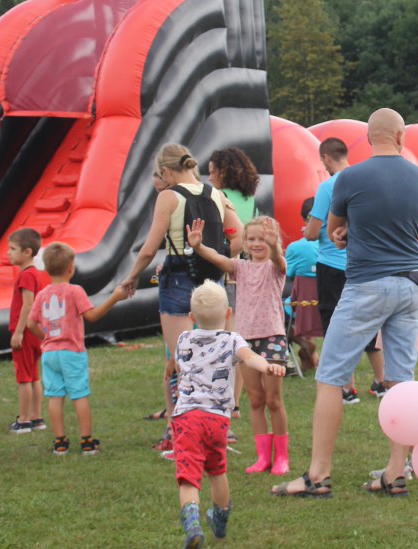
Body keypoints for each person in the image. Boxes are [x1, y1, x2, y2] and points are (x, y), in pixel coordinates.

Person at [271, 108, 418, 500]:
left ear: (370, 137)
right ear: (401, 135)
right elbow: (412, 226)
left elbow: (333, 228)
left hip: (365, 286)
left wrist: (345, 236)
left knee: (330, 377)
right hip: (410, 288)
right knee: (400, 381)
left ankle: (318, 474)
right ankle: (396, 472)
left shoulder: (349, 177)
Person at [117, 145, 241, 432]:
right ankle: (220, 423)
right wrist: (216, 256)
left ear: (166, 171)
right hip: (212, 281)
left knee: (182, 359)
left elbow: (150, 248)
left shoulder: (168, 196)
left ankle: (183, 428)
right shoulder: (215, 194)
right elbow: (239, 236)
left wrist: (133, 276)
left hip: (178, 278)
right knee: (213, 355)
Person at [172, 280, 285, 547]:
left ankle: (193, 523)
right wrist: (268, 366)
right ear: (228, 314)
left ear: (191, 317)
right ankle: (219, 522)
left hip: (187, 417)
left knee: (189, 477)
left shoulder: (183, 338)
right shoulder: (232, 340)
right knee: (216, 470)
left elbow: (180, 369)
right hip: (217, 420)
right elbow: (249, 358)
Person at [190, 215, 291, 475]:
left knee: (274, 400)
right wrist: (199, 246)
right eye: (252, 239)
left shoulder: (275, 267)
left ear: (273, 240)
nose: (257, 244)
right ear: (244, 243)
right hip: (245, 341)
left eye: (263, 239)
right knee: (255, 400)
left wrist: (275, 247)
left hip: (272, 338)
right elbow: (219, 259)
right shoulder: (240, 267)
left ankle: (281, 457)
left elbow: (279, 260)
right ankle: (262, 457)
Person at [29, 242, 129, 455]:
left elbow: (31, 323)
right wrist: (114, 298)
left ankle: (60, 442)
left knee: (55, 396)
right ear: (71, 269)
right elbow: (91, 316)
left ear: (46, 268)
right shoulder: (75, 291)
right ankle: (86, 441)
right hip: (72, 352)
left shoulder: (42, 295)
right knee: (79, 394)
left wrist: (45, 337)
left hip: (49, 353)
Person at [306, 137, 385, 403]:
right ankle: (380, 381)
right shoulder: (364, 182)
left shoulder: (328, 186)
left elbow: (314, 230)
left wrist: (307, 232)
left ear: (327, 157)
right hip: (362, 263)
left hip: (331, 263)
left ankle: (346, 387)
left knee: (335, 325)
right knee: (369, 322)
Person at [208, 146, 259, 412]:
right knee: (240, 338)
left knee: (226, 338)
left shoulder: (220, 196)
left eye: (212, 172)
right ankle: (236, 401)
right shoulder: (249, 198)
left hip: (230, 273)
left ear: (222, 172)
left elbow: (234, 238)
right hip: (249, 271)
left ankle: (223, 398)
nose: (209, 178)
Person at [7, 228, 49, 433]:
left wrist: (19, 331)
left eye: (13, 249)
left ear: (27, 252)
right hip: (34, 333)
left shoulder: (26, 275)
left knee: (24, 377)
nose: (9, 253)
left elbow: (28, 304)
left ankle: (23, 420)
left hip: (24, 332)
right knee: (33, 376)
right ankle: (37, 417)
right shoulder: (35, 274)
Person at [285, 197, 321, 372]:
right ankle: (310, 357)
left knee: (280, 313)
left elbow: (288, 274)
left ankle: (303, 342)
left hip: (302, 307)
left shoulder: (295, 247)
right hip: (329, 305)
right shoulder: (339, 247)